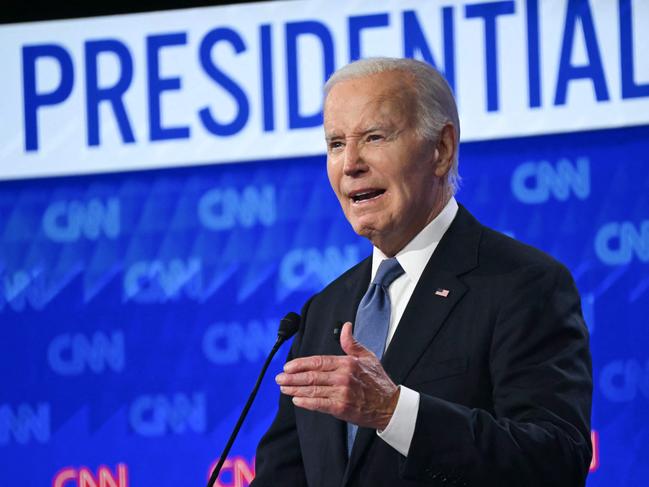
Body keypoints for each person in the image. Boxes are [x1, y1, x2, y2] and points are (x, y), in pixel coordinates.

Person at [250, 58, 592, 487]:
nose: (350, 163)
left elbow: (555, 461)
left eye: (374, 136)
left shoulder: (524, 285)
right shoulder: (322, 311)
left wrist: (395, 412)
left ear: (441, 149)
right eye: (336, 143)